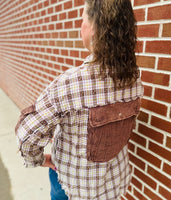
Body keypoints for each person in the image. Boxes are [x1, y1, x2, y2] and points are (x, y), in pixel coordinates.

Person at [15, 0, 143, 199]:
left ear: (94, 28)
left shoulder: (71, 83)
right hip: (114, 181)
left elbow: (27, 136)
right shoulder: (134, 78)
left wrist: (40, 160)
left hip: (74, 188)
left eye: (83, 18)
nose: (80, 24)